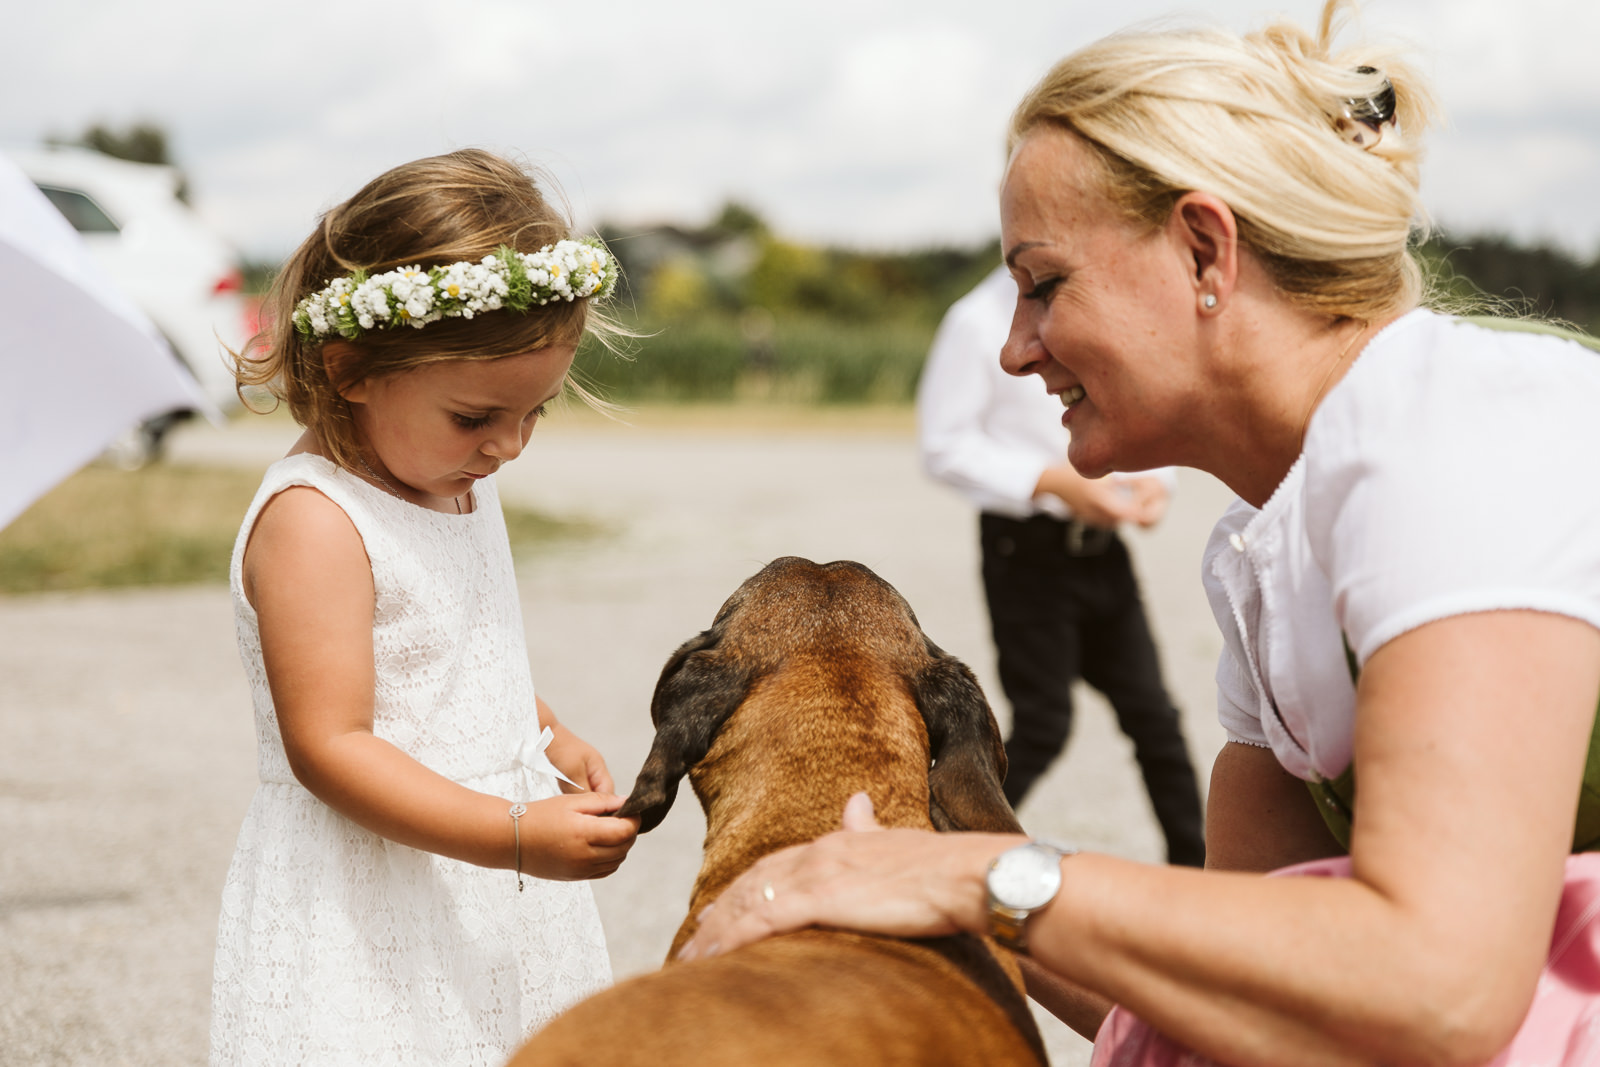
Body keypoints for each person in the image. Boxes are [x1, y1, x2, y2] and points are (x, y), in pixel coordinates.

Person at [679, 4, 1600, 1064]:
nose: (1014, 352)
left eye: (1043, 284)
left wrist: (968, 876)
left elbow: (1440, 982)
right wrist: (904, 863)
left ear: (1205, 248)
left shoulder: (1456, 436)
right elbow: (1242, 973)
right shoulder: (1266, 545)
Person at [210, 150, 640, 1066]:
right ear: (352, 365)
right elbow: (332, 745)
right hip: (370, 890)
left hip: (480, 869)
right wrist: (513, 834)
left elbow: (459, 647)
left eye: (535, 414)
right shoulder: (316, 523)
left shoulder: (452, 480)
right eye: (476, 416)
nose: (509, 445)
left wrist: (544, 729)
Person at [918, 264, 1206, 866]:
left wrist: (1156, 480)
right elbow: (943, 445)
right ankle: (940, 846)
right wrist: (1049, 482)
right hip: (1026, 552)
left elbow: (1134, 396)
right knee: (1044, 722)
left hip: (1103, 549)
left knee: (1155, 718)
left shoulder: (1097, 304)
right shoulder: (976, 322)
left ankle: (1197, 864)